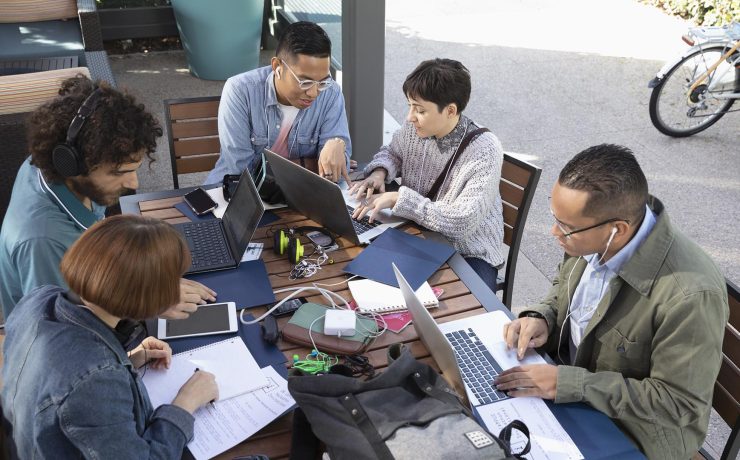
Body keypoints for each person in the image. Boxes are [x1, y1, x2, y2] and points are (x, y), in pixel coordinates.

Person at [496, 144, 728, 459]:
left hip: (635, 434)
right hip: (574, 395)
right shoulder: (591, 238)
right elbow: (562, 286)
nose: (555, 233)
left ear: (617, 230)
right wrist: (543, 317)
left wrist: (570, 384)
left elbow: (678, 404)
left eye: (565, 227)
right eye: (555, 219)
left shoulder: (690, 296)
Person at [1, 215, 219, 458]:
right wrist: (186, 403)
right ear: (146, 296)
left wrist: (129, 359)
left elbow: (60, 372)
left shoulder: (41, 298)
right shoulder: (95, 380)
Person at [0, 76, 215, 320]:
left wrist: (148, 281)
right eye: (118, 172)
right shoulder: (43, 240)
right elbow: (59, 328)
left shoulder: (46, 166)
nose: (134, 183)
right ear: (72, 164)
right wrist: (149, 302)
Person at [349, 59, 505, 290]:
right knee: (363, 280)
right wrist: (380, 172)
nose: (410, 117)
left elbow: (461, 221)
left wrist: (401, 198)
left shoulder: (484, 150)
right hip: (420, 235)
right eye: (410, 105)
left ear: (451, 110)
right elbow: (392, 153)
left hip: (469, 253)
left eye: (420, 110)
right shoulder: (416, 128)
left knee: (450, 312)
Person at [206, 21, 352, 185]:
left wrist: (336, 150)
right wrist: (307, 164)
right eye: (305, 82)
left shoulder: (331, 93)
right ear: (277, 67)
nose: (313, 93)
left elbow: (337, 170)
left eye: (322, 81)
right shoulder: (240, 90)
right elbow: (241, 170)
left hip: (302, 194)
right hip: (238, 194)